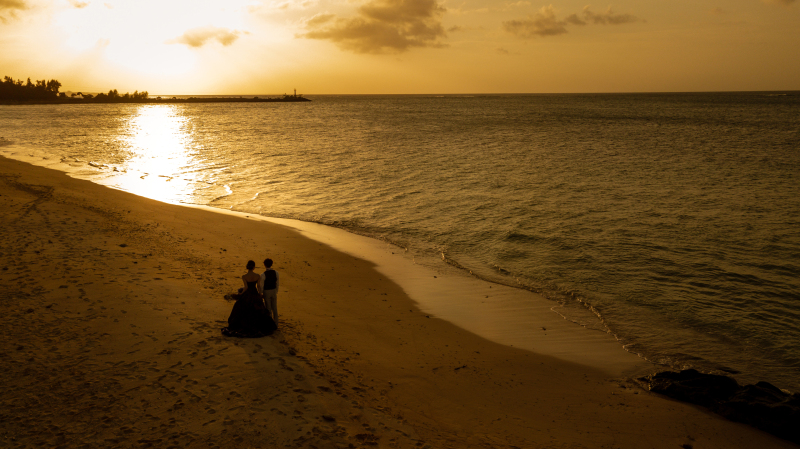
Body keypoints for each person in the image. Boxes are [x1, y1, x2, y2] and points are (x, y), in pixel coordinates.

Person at [222, 260, 277, 338]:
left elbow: (246, 287)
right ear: (254, 267)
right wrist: (260, 294)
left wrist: (241, 293)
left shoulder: (244, 276)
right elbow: (258, 286)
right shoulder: (257, 276)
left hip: (248, 294)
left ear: (247, 267)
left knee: (242, 307)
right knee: (258, 309)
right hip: (255, 293)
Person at [259, 258, 279, 327]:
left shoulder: (263, 274)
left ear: (264, 265)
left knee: (268, 308)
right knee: (274, 308)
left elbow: (261, 285)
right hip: (273, 290)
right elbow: (277, 283)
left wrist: (261, 293)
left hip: (266, 291)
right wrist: (276, 290)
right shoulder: (276, 272)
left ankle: (270, 324)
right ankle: (276, 323)